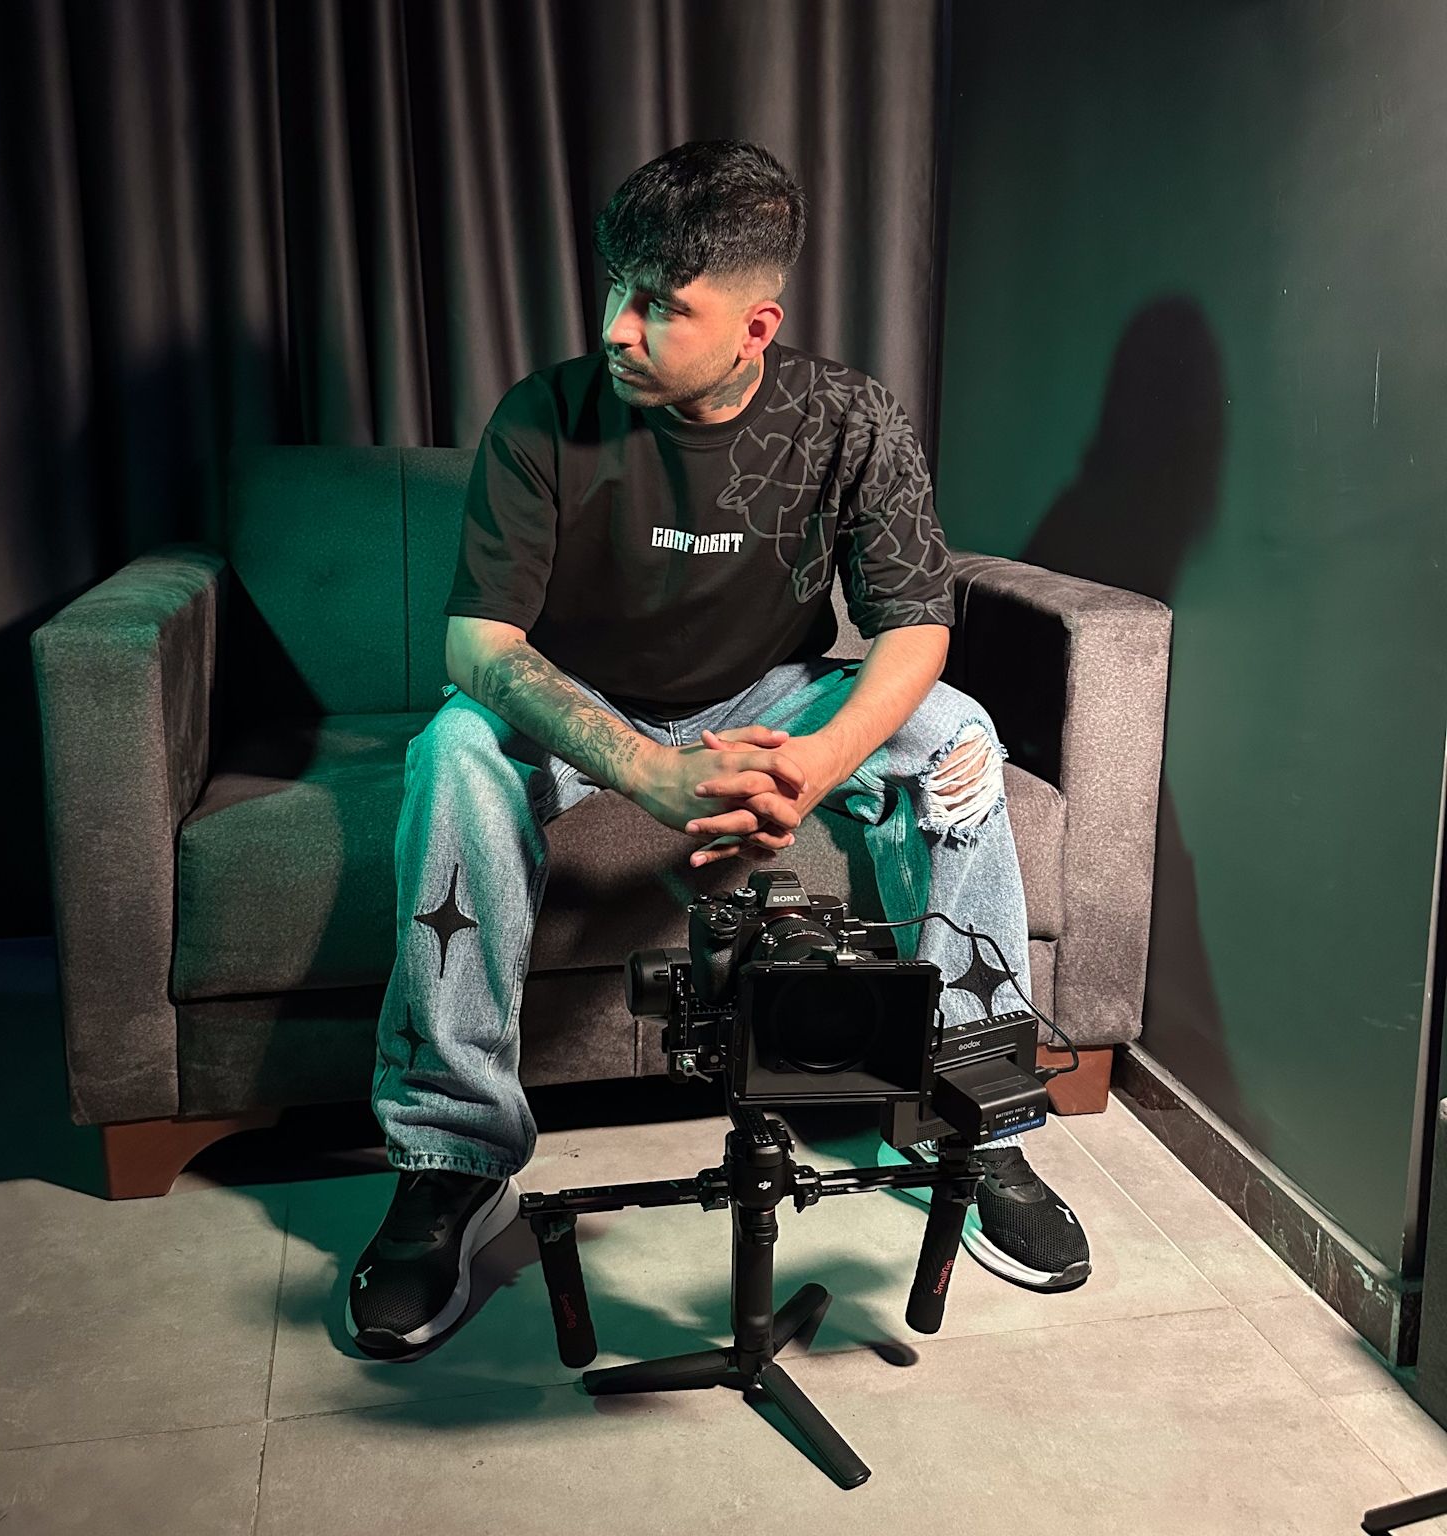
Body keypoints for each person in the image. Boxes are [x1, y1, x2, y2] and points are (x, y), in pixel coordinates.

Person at [347, 140, 1090, 1363]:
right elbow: (480, 647)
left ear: (756, 327)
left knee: (960, 738)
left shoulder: (849, 417)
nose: (617, 327)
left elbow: (915, 627)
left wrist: (821, 763)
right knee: (453, 753)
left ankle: (977, 1116)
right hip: (584, 699)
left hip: (771, 695)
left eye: (659, 305)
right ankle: (452, 1159)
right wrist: (650, 772)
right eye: (616, 289)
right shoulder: (545, 414)